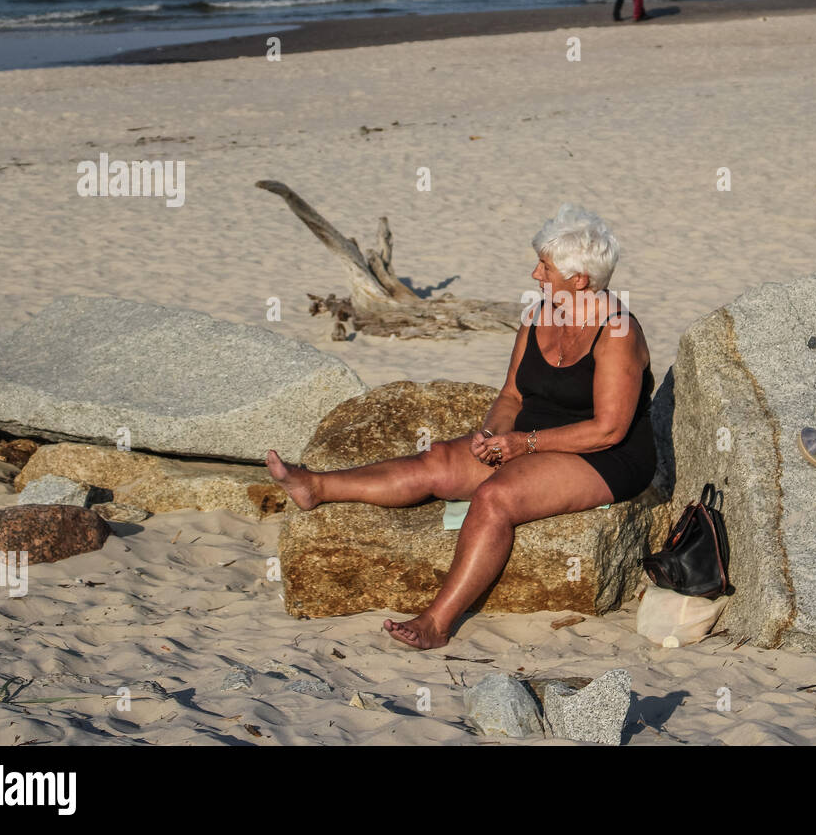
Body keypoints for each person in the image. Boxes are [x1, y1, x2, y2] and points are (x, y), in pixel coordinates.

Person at [266, 203, 657, 650]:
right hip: (530, 437)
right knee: (438, 461)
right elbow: (511, 395)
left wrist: (522, 444)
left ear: (580, 280)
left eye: (544, 267)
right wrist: (491, 436)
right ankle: (316, 486)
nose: (535, 275)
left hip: (606, 454)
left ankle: (437, 621)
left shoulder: (617, 331)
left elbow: (608, 428)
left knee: (496, 497)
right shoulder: (537, 316)